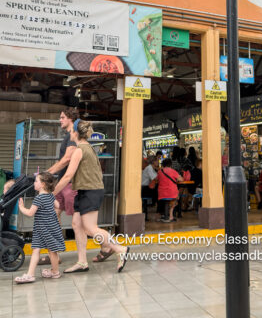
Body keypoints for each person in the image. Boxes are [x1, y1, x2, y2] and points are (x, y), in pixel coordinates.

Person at [55, 120, 129, 273]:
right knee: (77, 224)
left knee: (90, 228)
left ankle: (119, 249)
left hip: (90, 192)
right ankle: (82, 262)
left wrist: (52, 193)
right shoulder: (87, 148)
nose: (69, 133)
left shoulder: (79, 150)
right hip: (84, 191)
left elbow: (68, 175)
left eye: (71, 130)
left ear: (76, 133)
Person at [14, 172, 65, 283]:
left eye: (36, 181)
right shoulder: (50, 195)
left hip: (43, 228)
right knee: (50, 250)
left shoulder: (39, 198)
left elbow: (30, 213)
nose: (34, 183)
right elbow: (58, 205)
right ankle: (51, 272)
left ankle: (35, 274)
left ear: (42, 184)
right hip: (50, 226)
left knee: (42, 250)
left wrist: (21, 207)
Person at [157, 158, 182, 223]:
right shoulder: (173, 171)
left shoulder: (159, 172)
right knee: (176, 197)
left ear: (163, 164)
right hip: (172, 193)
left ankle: (165, 215)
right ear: (170, 164)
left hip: (161, 193)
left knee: (166, 200)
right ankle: (171, 215)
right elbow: (181, 179)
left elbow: (157, 180)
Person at [141, 155, 159, 219]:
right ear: (153, 162)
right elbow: (155, 179)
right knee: (161, 192)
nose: (158, 162)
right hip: (144, 188)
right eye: (157, 160)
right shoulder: (149, 168)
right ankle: (161, 212)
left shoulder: (152, 168)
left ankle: (161, 211)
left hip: (146, 188)